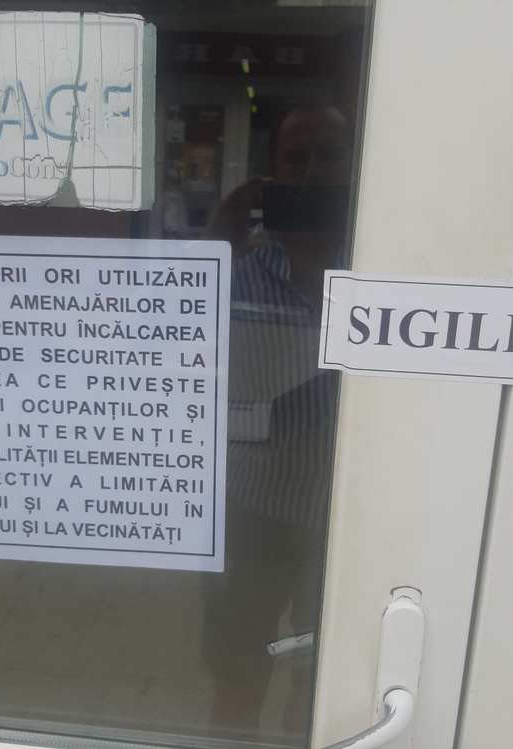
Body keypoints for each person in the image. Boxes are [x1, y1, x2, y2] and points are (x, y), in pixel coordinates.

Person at [200, 99, 354, 739]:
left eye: (329, 156)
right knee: (237, 666)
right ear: (273, 175)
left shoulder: (380, 270)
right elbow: (175, 356)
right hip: (252, 509)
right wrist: (216, 242)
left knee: (327, 678)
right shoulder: (237, 275)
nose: (313, 172)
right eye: (297, 158)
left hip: (344, 517)